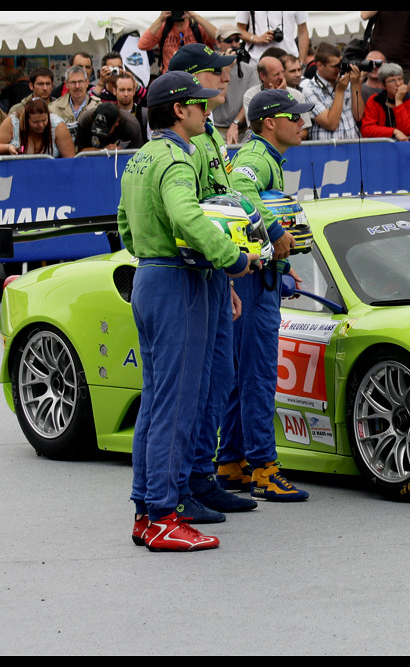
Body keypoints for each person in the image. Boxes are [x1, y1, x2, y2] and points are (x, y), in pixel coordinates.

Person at [120, 71, 257, 552]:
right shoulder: (177, 160)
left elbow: (124, 225)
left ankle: (146, 510)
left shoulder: (142, 157)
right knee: (177, 403)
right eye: (199, 104)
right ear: (179, 111)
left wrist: (155, 254)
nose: (207, 110)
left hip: (149, 275)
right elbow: (187, 215)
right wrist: (234, 258)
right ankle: (162, 514)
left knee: (157, 401)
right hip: (177, 281)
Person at [163, 42, 261, 517]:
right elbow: (197, 216)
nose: (226, 78)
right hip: (196, 274)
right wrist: (226, 268)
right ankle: (188, 482)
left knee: (218, 377)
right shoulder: (190, 142)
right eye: (216, 73)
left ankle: (200, 473)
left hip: (214, 276)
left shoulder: (209, 136)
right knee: (197, 384)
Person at [216, 87, 311, 502]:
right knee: (257, 374)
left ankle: (231, 463)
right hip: (252, 284)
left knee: (243, 374)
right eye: (296, 116)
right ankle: (264, 468)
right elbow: (240, 192)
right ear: (271, 123)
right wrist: (274, 230)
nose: (304, 123)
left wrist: (280, 262)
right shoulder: (256, 158)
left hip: (256, 275)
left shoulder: (264, 155)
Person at [241, 55, 313, 142]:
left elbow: (304, 131)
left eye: (282, 72)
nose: (281, 77)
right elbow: (258, 129)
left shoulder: (296, 94)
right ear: (263, 76)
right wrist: (274, 98)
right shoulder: (251, 95)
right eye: (276, 74)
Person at [302, 42, 364, 140]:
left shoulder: (345, 81)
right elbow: (331, 124)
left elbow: (359, 116)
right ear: (319, 65)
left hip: (353, 144)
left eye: (340, 64)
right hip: (329, 149)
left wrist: (356, 84)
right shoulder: (310, 90)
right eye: (335, 66)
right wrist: (339, 91)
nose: (339, 69)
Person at [212, 24, 257, 144]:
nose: (234, 44)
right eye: (229, 40)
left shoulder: (251, 70)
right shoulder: (210, 70)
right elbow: (219, 97)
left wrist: (235, 123)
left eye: (237, 40)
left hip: (242, 128)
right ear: (218, 43)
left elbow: (251, 100)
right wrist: (226, 68)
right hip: (218, 129)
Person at [0, 97, 75, 157]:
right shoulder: (13, 122)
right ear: (26, 120)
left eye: (44, 120)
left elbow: (70, 160)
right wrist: (8, 148)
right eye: (35, 122)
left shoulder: (58, 126)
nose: (41, 125)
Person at [138, 11, 218, 74]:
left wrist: (195, 16)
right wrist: (160, 19)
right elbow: (142, 45)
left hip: (195, 77)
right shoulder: (164, 27)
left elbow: (218, 39)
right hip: (171, 78)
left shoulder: (196, 26)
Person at [361, 11, 410, 83]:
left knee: (403, 91)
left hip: (404, 63)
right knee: (375, 93)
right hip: (379, 62)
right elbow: (365, 15)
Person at [361, 62, 410, 140]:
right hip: (381, 145)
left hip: (404, 144)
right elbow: (366, 129)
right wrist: (394, 131)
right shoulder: (374, 100)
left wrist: (398, 101)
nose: (398, 84)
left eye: (400, 79)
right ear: (383, 85)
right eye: (392, 81)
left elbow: (407, 130)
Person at [236, 11, 310, 66]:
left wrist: (301, 62)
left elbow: (303, 31)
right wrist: (256, 38)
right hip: (258, 62)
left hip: (289, 62)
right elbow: (238, 29)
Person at [48, 65, 99, 143]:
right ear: (66, 84)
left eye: (80, 82)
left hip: (90, 153)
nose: (77, 86)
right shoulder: (53, 108)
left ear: (87, 83)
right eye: (73, 82)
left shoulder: (98, 106)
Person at [74, 102, 145, 152]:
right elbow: (80, 151)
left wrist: (121, 153)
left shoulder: (130, 125)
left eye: (106, 132)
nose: (102, 135)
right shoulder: (86, 119)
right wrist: (103, 151)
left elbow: (137, 153)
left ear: (117, 122)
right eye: (96, 130)